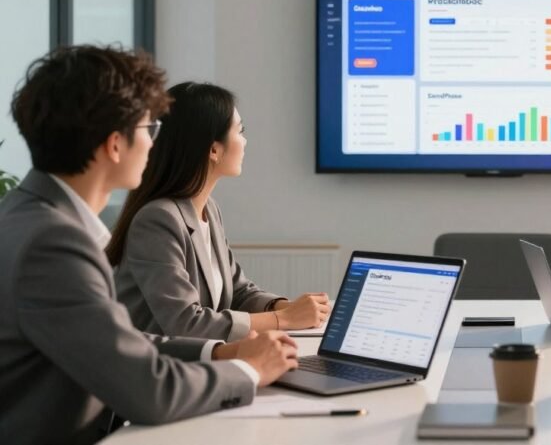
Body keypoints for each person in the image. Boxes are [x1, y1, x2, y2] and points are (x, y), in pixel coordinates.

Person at [0, 45, 298, 444]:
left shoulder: (27, 215)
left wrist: (222, 353)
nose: (154, 144)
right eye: (148, 129)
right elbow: (150, 392)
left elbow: (119, 340)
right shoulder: (53, 244)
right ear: (114, 144)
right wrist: (251, 372)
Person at [107, 82, 330, 341]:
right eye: (240, 131)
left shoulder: (208, 210)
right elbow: (185, 323)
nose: (245, 141)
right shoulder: (158, 219)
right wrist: (285, 320)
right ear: (214, 149)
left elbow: (238, 292)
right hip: (157, 371)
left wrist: (286, 307)